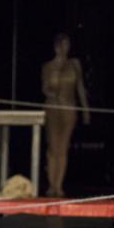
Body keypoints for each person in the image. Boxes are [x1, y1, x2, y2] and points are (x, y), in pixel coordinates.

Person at [41, 32, 90, 197]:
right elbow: (45, 88)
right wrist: (55, 95)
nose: (66, 48)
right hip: (53, 108)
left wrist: (85, 109)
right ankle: (51, 184)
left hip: (69, 109)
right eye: (63, 45)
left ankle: (58, 185)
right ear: (57, 47)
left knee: (63, 147)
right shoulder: (48, 67)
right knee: (53, 147)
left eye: (68, 45)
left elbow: (80, 88)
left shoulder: (74, 64)